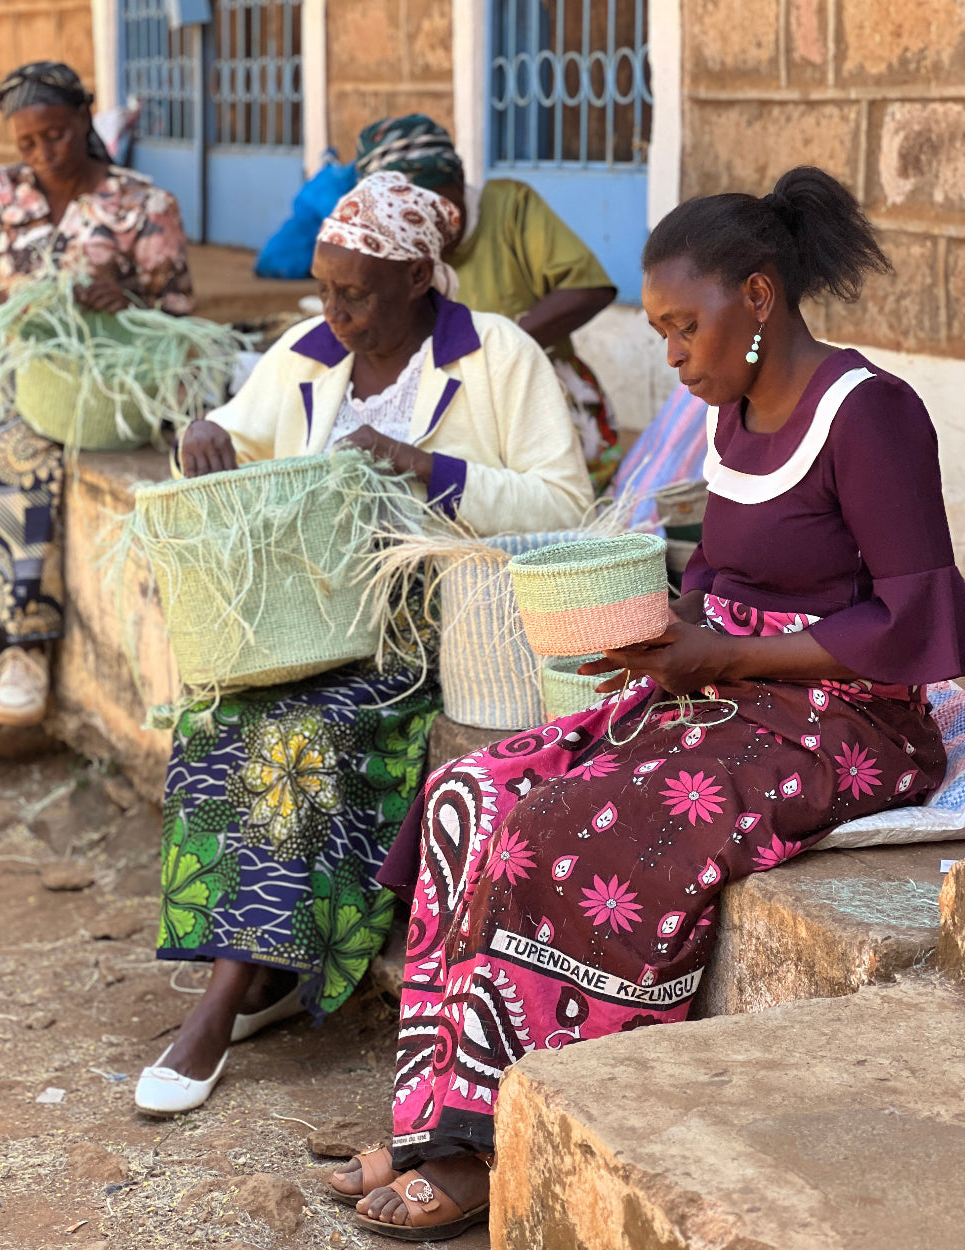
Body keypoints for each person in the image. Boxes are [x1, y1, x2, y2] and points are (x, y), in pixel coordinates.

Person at [329, 166, 965, 1240]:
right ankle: (441, 1107)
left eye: (684, 326)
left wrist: (726, 653)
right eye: (660, 329)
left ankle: (494, 1134)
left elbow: (917, 619)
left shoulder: (869, 413)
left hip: (846, 719)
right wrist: (662, 639)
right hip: (732, 690)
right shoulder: (732, 415)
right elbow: (720, 569)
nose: (669, 352)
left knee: (562, 824)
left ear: (757, 298)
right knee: (472, 788)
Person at [133, 170, 593, 1116]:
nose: (334, 311)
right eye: (326, 288)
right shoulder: (306, 353)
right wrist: (203, 436)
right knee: (220, 716)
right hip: (311, 628)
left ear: (422, 277)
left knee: (305, 737)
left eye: (356, 293)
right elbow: (237, 444)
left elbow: (567, 505)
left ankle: (221, 1003)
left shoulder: (498, 354)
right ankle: (261, 969)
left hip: (436, 636)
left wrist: (437, 470)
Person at [0, 61, 192, 732]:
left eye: (56, 135)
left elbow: (176, 320)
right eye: (27, 142)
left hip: (97, 384)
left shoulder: (145, 205)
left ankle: (23, 648)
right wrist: (14, 313)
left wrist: (122, 305)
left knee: (10, 444)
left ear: (86, 120)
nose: (42, 154)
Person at [356, 114, 620, 489]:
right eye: (417, 218)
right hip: (444, 408)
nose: (438, 225)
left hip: (541, 392)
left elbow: (590, 288)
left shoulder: (509, 208)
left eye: (445, 207)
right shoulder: (388, 249)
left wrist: (497, 350)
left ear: (461, 181)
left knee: (554, 501)